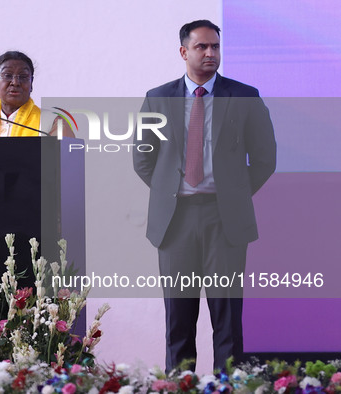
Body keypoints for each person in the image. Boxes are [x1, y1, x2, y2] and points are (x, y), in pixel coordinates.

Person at [133, 20, 276, 371]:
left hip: (224, 219)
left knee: (227, 318)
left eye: (215, 47)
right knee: (178, 319)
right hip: (175, 221)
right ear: (184, 52)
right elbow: (142, 158)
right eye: (202, 47)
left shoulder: (244, 96)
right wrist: (171, 193)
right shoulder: (159, 97)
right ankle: (179, 385)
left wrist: (234, 195)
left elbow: (264, 158)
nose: (210, 53)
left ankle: (228, 384)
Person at [0, 50, 74, 137]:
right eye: (8, 75)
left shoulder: (53, 123)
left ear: (31, 83)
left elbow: (68, 162)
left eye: (23, 77)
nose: (15, 82)